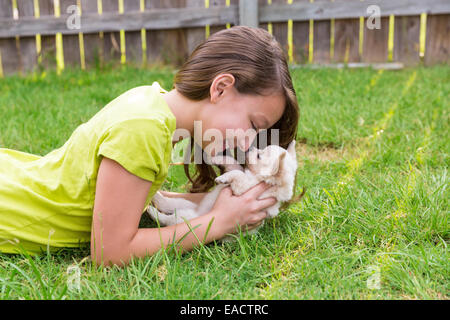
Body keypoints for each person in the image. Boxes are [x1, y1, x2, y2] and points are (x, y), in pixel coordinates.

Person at [0, 26, 299, 267]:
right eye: (254, 125)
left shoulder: (151, 103)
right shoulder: (143, 129)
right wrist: (217, 222)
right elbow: (111, 252)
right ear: (220, 88)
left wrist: (233, 203)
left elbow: (133, 199)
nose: (248, 144)